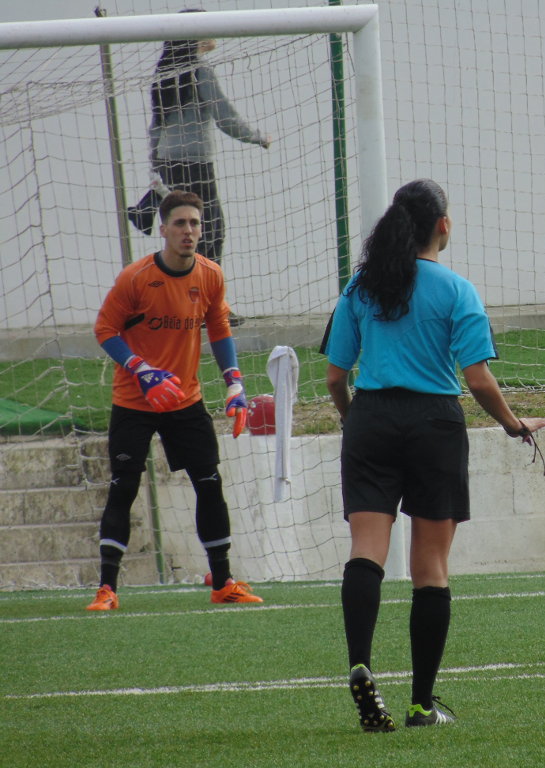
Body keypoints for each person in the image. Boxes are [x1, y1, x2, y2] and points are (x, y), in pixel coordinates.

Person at [324, 179, 545, 731]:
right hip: (434, 425)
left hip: (371, 420)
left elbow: (335, 376)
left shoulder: (361, 286)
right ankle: (421, 705)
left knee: (366, 550)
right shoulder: (457, 290)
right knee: (430, 567)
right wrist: (513, 425)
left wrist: (353, 419)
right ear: (443, 226)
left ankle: (360, 663)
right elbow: (477, 379)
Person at [87, 189, 263, 610]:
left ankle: (222, 582)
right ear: (163, 229)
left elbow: (218, 328)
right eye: (180, 223)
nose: (188, 231)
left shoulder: (211, 275)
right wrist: (142, 370)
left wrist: (235, 384)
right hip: (135, 401)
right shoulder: (136, 278)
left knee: (209, 483)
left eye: (195, 223)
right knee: (123, 487)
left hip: (185, 399)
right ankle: (107, 588)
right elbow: (105, 330)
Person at [147, 8, 270, 323]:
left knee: (182, 234)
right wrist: (258, 137)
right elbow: (225, 117)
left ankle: (184, 305)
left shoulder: (164, 70)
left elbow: (156, 125)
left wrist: (155, 162)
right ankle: (207, 308)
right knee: (210, 232)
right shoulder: (199, 70)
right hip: (195, 164)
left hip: (168, 162)